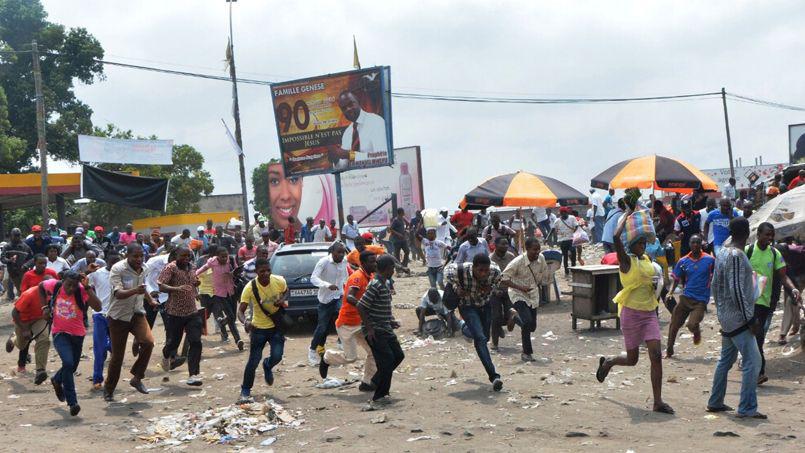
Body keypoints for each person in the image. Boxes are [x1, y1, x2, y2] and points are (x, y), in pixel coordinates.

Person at [596, 207, 674, 414]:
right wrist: (627, 214)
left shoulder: (647, 260)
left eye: (644, 242)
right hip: (631, 314)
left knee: (656, 355)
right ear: (632, 245)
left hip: (649, 313)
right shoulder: (626, 261)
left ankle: (657, 401)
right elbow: (615, 236)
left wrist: (664, 295)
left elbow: (655, 281)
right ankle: (609, 362)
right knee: (632, 359)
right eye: (639, 243)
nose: (643, 245)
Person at [707, 217, 765, 418]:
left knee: (726, 359)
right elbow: (737, 290)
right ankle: (747, 408)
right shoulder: (736, 255)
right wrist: (750, 319)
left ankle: (715, 401)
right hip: (738, 318)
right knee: (753, 362)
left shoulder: (722, 251)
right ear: (747, 232)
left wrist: (721, 310)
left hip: (726, 315)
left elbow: (715, 284)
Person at [39, 271, 101, 416]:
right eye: (68, 285)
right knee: (67, 363)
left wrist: (87, 288)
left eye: (74, 285)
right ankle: (72, 402)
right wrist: (44, 308)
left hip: (78, 335)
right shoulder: (55, 285)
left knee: (71, 367)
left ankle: (56, 379)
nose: (71, 288)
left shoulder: (81, 290)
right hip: (59, 333)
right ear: (62, 281)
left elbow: (98, 307)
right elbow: (40, 287)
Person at [746, 223, 800, 385]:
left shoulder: (775, 254)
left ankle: (758, 372)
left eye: (772, 235)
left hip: (765, 303)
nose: (770, 238)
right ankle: (755, 369)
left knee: (759, 337)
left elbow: (783, 277)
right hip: (748, 302)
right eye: (767, 235)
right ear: (758, 235)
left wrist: (793, 289)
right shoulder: (748, 251)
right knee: (752, 336)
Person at [104, 243, 157, 401]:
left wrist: (151, 300)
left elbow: (143, 288)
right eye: (135, 256)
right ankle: (109, 389)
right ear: (127, 256)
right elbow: (118, 293)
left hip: (137, 313)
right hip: (118, 316)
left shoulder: (145, 268)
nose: (139, 259)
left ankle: (137, 377)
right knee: (117, 357)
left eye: (141, 256)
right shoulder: (117, 269)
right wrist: (136, 291)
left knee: (148, 342)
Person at [320, 250, 378, 391]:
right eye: (372, 261)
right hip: (347, 324)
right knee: (351, 358)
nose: (375, 263)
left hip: (361, 322)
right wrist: (362, 305)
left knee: (373, 352)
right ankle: (327, 358)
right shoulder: (357, 277)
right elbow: (350, 296)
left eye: (375, 260)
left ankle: (366, 382)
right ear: (363, 263)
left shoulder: (370, 276)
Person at [445, 254, 504, 392]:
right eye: (480, 270)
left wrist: (492, 288)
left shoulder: (495, 271)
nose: (483, 274)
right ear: (473, 268)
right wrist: (456, 288)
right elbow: (446, 272)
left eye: (486, 270)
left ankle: (465, 329)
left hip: (485, 304)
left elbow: (498, 282)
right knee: (481, 339)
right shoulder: (460, 270)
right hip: (467, 306)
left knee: (484, 336)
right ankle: (494, 376)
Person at [236, 258, 288, 403]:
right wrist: (246, 322)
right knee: (253, 361)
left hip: (276, 327)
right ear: (256, 272)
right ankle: (245, 390)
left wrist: (282, 299)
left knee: (277, 356)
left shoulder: (279, 281)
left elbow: (286, 292)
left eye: (268, 270)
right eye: (262, 271)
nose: (265, 274)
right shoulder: (250, 288)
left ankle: (268, 365)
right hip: (258, 328)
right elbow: (240, 311)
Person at [356, 254, 403, 409]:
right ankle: (380, 395)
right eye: (393, 268)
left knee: (398, 356)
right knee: (387, 361)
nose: (394, 270)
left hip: (385, 327)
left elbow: (379, 306)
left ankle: (375, 381)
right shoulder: (375, 284)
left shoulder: (384, 283)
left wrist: (390, 321)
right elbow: (361, 306)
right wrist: (369, 328)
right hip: (376, 330)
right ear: (388, 269)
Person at [158, 246, 203, 385]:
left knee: (196, 342)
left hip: (192, 312)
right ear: (176, 255)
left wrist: (196, 285)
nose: (185, 258)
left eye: (188, 256)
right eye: (182, 256)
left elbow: (192, 282)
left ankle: (193, 375)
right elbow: (161, 286)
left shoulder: (192, 267)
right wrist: (176, 288)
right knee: (173, 344)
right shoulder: (170, 268)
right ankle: (166, 355)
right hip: (175, 312)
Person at [664, 235, 715, 358]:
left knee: (691, 324)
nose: (696, 245)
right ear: (689, 244)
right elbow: (676, 279)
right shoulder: (683, 261)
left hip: (700, 300)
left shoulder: (710, 260)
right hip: (686, 297)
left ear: (701, 244)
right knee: (674, 324)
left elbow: (718, 274)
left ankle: (696, 331)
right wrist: (670, 292)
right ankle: (669, 351)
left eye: (698, 242)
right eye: (693, 242)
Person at [500, 238, 548, 362]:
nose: (537, 253)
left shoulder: (541, 259)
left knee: (532, 326)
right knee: (526, 322)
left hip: (533, 295)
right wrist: (520, 287)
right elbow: (503, 278)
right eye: (534, 250)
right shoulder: (517, 262)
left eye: (538, 250)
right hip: (518, 294)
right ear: (527, 249)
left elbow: (544, 274)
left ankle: (514, 317)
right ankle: (526, 353)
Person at [195, 246, 243, 350]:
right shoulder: (212, 262)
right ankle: (237, 339)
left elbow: (236, 270)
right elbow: (203, 268)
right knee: (229, 315)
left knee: (232, 317)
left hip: (231, 291)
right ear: (217, 257)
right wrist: (195, 275)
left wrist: (235, 272)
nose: (224, 259)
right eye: (222, 257)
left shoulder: (230, 260)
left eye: (226, 256)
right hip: (219, 293)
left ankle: (224, 323)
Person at [309, 242, 349, 365]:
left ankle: (341, 342)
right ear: (333, 252)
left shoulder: (344, 261)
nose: (341, 255)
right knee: (322, 328)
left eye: (343, 252)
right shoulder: (324, 262)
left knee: (343, 320)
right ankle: (312, 350)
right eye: (339, 252)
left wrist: (346, 288)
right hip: (325, 300)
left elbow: (345, 276)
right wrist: (327, 285)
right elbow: (313, 278)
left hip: (338, 296)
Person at [329, 90, 388, 171]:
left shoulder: (376, 121)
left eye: (350, 104)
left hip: (377, 177)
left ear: (358, 102)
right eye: (344, 108)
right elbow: (342, 166)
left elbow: (382, 157)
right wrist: (336, 159)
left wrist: (350, 155)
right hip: (356, 181)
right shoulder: (347, 133)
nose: (348, 109)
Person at [7, 284, 52, 384]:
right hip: (23, 320)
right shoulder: (29, 294)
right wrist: (24, 329)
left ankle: (40, 370)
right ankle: (13, 339)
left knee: (44, 339)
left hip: (38, 319)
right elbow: (14, 313)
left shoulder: (53, 292)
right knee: (22, 345)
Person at [88, 251, 119, 390]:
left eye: (117, 261)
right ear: (106, 260)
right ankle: (97, 378)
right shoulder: (97, 274)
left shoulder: (122, 274)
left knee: (116, 349)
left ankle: (112, 379)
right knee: (99, 350)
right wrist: (87, 271)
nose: (115, 264)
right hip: (100, 315)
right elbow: (80, 281)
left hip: (117, 315)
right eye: (112, 261)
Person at [489, 236, 518, 350]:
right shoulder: (490, 259)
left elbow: (517, 273)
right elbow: (486, 278)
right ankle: (494, 343)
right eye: (503, 244)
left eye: (507, 244)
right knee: (495, 317)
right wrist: (495, 290)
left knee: (509, 316)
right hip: (495, 292)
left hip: (509, 291)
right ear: (495, 245)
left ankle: (499, 327)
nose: (505, 246)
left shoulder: (511, 257)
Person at [2, 228, 32, 298]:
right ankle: (9, 296)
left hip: (23, 271)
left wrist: (26, 265)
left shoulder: (25, 247)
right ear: (11, 236)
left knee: (23, 290)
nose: (16, 237)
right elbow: (2, 258)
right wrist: (9, 260)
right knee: (8, 282)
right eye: (15, 235)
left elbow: (32, 258)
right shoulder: (7, 246)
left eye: (18, 235)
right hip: (11, 271)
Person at [554, 207, 579, 275]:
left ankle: (574, 269)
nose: (563, 215)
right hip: (562, 241)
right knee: (565, 256)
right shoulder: (557, 221)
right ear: (560, 214)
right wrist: (548, 238)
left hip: (571, 239)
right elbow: (554, 229)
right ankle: (566, 271)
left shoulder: (572, 218)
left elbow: (576, 226)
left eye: (564, 213)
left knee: (573, 254)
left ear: (567, 212)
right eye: (562, 213)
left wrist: (575, 234)